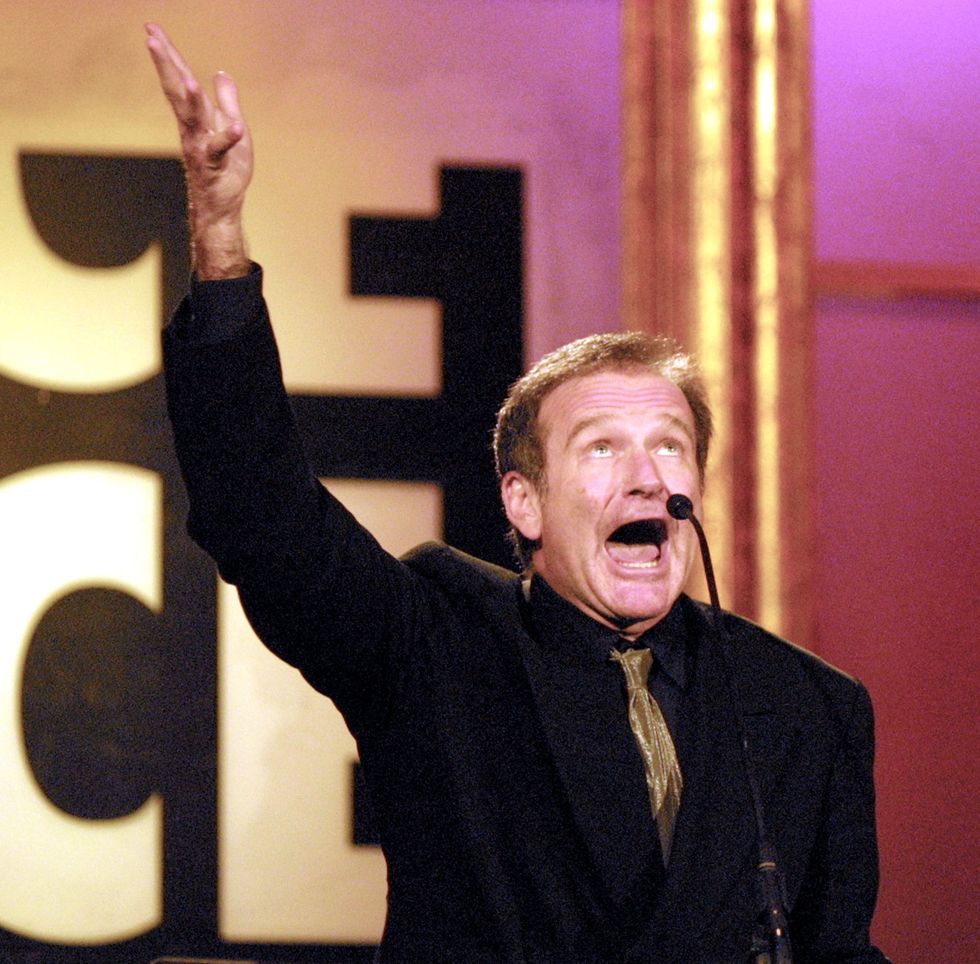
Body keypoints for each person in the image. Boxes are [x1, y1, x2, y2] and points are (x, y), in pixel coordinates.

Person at [146, 22, 888, 963]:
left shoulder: (805, 705)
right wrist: (219, 242)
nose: (648, 474)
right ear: (524, 503)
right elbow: (263, 518)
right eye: (602, 447)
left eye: (669, 445)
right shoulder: (436, 648)